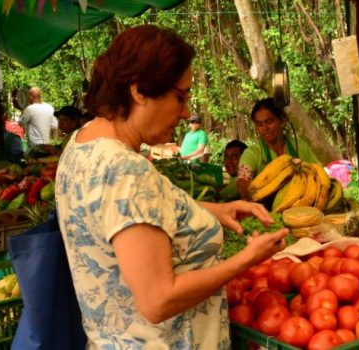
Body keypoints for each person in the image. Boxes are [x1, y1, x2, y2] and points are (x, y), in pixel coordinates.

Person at [56, 25, 286, 347]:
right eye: (180, 97)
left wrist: (210, 210)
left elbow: (125, 220)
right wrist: (246, 259)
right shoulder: (125, 171)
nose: (187, 112)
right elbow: (158, 300)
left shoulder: (81, 143)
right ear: (138, 91)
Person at [237, 98, 321, 199]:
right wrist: (245, 192)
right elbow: (243, 179)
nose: (265, 128)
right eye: (259, 124)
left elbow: (318, 172)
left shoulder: (300, 146)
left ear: (282, 120)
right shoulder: (253, 153)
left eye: (269, 122)